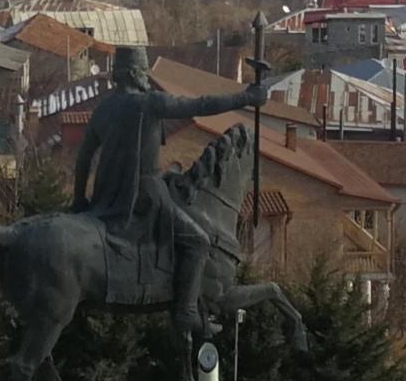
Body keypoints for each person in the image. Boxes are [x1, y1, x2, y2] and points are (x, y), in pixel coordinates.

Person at [72, 46, 266, 342]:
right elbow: (201, 105)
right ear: (136, 74)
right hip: (146, 196)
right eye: (144, 72)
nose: (147, 78)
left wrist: (78, 199)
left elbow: (84, 159)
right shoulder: (150, 103)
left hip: (106, 196)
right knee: (199, 241)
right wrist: (247, 98)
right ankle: (186, 311)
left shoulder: (103, 110)